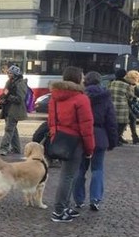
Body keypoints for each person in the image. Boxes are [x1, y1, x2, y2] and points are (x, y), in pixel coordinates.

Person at [48, 66, 95, 223]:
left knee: (68, 175)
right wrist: (89, 148)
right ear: (77, 79)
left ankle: (65, 206)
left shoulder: (54, 96)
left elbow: (51, 120)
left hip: (60, 139)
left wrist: (55, 135)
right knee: (68, 176)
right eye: (82, 77)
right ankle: (59, 211)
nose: (83, 79)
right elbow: (86, 127)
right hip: (75, 142)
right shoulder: (81, 98)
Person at [72, 71, 118, 212]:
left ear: (85, 82)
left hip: (81, 136)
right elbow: (111, 122)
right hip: (100, 136)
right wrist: (112, 141)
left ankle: (79, 200)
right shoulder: (105, 98)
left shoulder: (81, 96)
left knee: (80, 169)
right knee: (97, 169)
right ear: (99, 82)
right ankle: (95, 199)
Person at [0, 64, 28, 155]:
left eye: (10, 73)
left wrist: (8, 97)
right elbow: (5, 92)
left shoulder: (21, 83)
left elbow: (20, 99)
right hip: (7, 109)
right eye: (8, 72)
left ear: (15, 74)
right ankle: (16, 149)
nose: (8, 74)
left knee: (9, 130)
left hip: (15, 111)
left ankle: (4, 149)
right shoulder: (9, 82)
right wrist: (1, 98)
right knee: (13, 130)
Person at [107, 68, 136, 145]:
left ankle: (117, 138)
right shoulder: (126, 85)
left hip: (112, 105)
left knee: (115, 123)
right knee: (123, 123)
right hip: (122, 107)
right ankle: (117, 138)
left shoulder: (111, 83)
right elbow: (131, 96)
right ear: (124, 75)